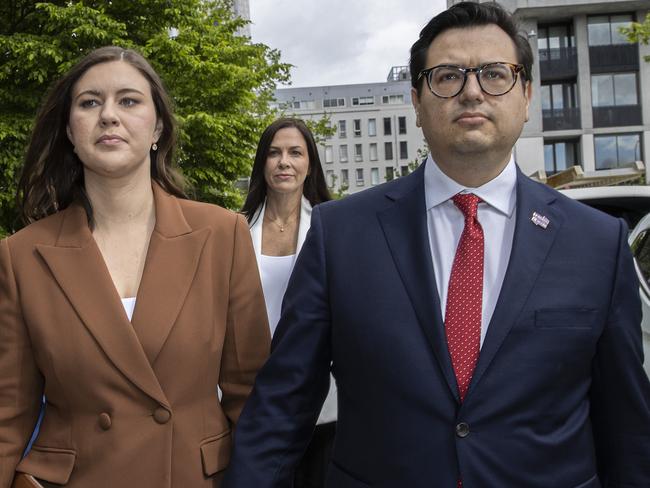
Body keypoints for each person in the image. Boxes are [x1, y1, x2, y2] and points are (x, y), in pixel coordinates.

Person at [223, 2, 650, 487]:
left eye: (494, 74)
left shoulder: (597, 241)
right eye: (447, 76)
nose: (471, 91)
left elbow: (626, 429)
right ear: (417, 101)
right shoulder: (339, 235)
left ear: (527, 95)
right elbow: (282, 406)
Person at [0, 46, 270, 488]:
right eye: (89, 102)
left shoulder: (223, 235)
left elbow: (253, 398)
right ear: (70, 130)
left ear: (157, 127)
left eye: (128, 100)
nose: (108, 115)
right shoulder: (21, 256)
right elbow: (7, 417)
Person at [241, 118, 335, 488]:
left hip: (322, 402)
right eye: (274, 153)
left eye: (295, 153)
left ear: (309, 163)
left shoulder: (333, 227)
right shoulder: (235, 229)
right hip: (253, 397)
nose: (284, 162)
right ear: (262, 163)